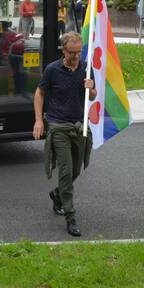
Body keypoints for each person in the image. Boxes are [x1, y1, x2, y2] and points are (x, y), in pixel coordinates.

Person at [33, 32, 96, 237]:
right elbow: (39, 93)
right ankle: (71, 217)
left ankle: (57, 194)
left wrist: (91, 88)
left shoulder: (86, 68)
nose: (76, 56)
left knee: (76, 170)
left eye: (79, 52)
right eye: (72, 52)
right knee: (66, 171)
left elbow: (92, 96)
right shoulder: (52, 70)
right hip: (58, 127)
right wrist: (39, 120)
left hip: (79, 127)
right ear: (63, 50)